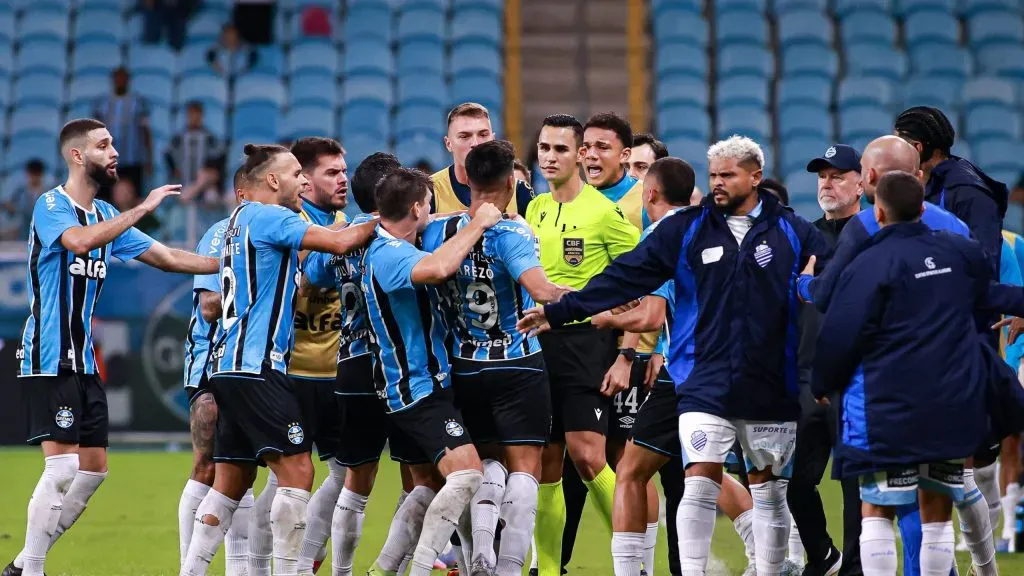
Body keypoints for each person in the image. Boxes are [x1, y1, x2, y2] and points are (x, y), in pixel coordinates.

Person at [518, 135, 828, 576]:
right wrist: (561, 311)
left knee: (769, 491)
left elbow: (840, 281)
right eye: (714, 175)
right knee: (697, 481)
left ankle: (772, 570)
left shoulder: (794, 232)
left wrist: (810, 290)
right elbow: (623, 277)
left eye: (729, 175)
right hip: (701, 377)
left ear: (755, 177)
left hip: (769, 383)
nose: (718, 184)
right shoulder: (688, 230)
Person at [4, 118, 221, 576]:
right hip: (48, 352)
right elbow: (78, 243)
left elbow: (167, 258)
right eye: (104, 145)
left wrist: (231, 264)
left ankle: (23, 563)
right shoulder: (50, 205)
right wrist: (141, 208)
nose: (115, 152)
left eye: (113, 144)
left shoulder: (105, 215)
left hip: (82, 359)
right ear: (77, 156)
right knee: (62, 470)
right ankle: (35, 570)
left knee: (94, 471)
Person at [794, 136, 996, 576]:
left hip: (887, 388)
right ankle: (980, 568)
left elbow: (834, 304)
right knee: (947, 489)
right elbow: (983, 294)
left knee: (884, 501)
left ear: (868, 178)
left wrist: (805, 286)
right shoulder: (956, 230)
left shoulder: (866, 227)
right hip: (952, 382)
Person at [178, 144, 378, 576]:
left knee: (230, 482)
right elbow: (342, 241)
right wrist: (390, 214)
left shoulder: (232, 224)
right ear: (272, 181)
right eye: (295, 175)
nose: (302, 182)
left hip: (227, 365)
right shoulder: (273, 217)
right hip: (260, 365)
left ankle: (190, 570)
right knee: (298, 472)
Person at [594, 156, 757, 576]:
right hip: (723, 366)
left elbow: (650, 316)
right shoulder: (714, 228)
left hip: (690, 373)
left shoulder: (666, 234)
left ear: (649, 193)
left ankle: (632, 571)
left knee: (632, 470)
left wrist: (607, 317)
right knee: (705, 470)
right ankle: (771, 554)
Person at [422, 140, 568, 575]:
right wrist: (594, 297)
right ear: (511, 182)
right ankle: (506, 569)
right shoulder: (513, 234)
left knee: (483, 464)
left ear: (465, 179)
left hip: (464, 366)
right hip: (518, 364)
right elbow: (542, 290)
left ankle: (479, 555)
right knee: (525, 471)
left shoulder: (438, 231)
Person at [360, 168, 503, 576]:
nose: (432, 211)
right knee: (467, 474)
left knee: (429, 485)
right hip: (415, 388)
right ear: (415, 207)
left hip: (424, 384)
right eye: (428, 204)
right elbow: (438, 269)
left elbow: (436, 230)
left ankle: (383, 569)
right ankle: (421, 569)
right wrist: (477, 223)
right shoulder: (387, 254)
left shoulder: (391, 238)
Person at [525, 113, 641, 576]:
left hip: (585, 344)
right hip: (539, 345)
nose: (550, 157)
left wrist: (627, 350)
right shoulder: (535, 208)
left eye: (560, 149)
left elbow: (646, 281)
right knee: (546, 465)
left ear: (580, 156)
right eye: (544, 148)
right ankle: (549, 569)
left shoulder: (603, 213)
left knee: (589, 457)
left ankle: (635, 558)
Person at [895, 106, 1011, 551]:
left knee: (955, 465)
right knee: (939, 465)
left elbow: (982, 261)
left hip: (958, 334)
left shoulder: (966, 190)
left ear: (918, 147)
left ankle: (978, 561)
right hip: (927, 336)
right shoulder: (927, 187)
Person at [302, 152, 401, 576]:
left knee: (349, 478)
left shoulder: (343, 235)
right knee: (424, 478)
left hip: (350, 365)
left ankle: (313, 565)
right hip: (400, 370)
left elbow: (314, 275)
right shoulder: (402, 240)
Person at [790, 144, 864, 576]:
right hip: (804, 376)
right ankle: (822, 556)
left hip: (856, 380)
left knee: (856, 486)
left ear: (861, 182)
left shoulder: (874, 233)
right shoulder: (804, 238)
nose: (827, 183)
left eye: (838, 175)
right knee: (795, 482)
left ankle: (855, 569)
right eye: (822, 176)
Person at [177, 167, 251, 575]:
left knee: (241, 468)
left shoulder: (278, 232)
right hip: (212, 363)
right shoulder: (221, 233)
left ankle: (239, 569)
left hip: (250, 364)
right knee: (208, 467)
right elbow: (208, 304)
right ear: (244, 192)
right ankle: (187, 566)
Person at [285, 137, 351, 575]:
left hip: (336, 374)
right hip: (289, 373)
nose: (343, 178)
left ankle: (306, 556)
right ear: (304, 181)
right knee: (284, 480)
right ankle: (270, 564)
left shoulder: (348, 222)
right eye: (332, 172)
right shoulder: (287, 223)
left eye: (344, 170)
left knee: (345, 474)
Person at [431, 102, 533, 216]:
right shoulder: (430, 191)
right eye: (464, 136)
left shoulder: (520, 191)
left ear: (493, 139)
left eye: (483, 135)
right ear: (448, 144)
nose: (475, 143)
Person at [92, 68, 152, 202]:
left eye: (123, 78)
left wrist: (149, 158)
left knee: (133, 197)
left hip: (133, 159)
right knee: (104, 198)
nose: (120, 81)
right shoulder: (102, 103)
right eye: (117, 78)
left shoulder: (138, 103)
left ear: (128, 81)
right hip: (107, 160)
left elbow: (146, 131)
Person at [0, 159, 48, 241]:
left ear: (41, 175)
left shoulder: (48, 190)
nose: (34, 177)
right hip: (21, 224)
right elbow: (6, 203)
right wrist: (15, 209)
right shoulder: (20, 189)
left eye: (36, 174)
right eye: (32, 174)